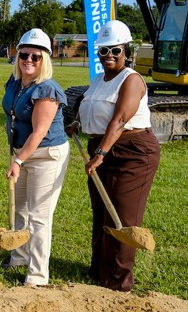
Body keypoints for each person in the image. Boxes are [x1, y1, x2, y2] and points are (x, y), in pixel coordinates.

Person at [65, 20, 160, 292]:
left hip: (133, 152)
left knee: (121, 215)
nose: (109, 56)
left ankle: (117, 283)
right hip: (102, 148)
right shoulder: (99, 80)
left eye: (115, 51)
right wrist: (79, 124)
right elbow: (91, 108)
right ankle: (98, 271)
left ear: (126, 51)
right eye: (104, 51)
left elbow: (119, 119)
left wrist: (101, 153)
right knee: (102, 211)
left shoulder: (131, 79)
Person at [0, 28, 69, 287]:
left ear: (45, 61)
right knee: (21, 209)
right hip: (23, 152)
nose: (28, 60)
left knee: (39, 216)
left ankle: (37, 276)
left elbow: (40, 132)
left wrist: (18, 161)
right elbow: (11, 113)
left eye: (36, 57)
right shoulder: (15, 82)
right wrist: (16, 150)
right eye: (24, 55)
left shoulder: (48, 89)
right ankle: (18, 256)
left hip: (47, 155)